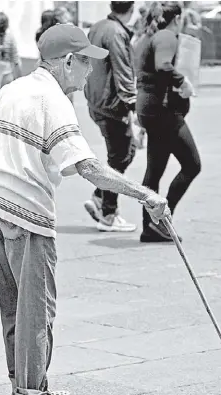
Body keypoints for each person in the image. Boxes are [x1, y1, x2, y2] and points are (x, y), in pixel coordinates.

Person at [0, 24, 170, 395]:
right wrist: (147, 194)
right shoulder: (53, 101)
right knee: (36, 310)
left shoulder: (14, 88)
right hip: (26, 214)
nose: (90, 73)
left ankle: (26, 387)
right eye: (86, 64)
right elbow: (88, 168)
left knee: (15, 308)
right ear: (68, 61)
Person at [136, 2, 201, 243]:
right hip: (163, 112)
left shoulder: (149, 35)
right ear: (178, 18)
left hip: (150, 108)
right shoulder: (166, 36)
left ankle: (151, 226)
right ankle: (160, 220)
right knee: (192, 164)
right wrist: (182, 81)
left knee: (155, 170)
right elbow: (163, 65)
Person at [84, 1, 138, 232]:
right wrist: (133, 105)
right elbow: (122, 71)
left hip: (96, 100)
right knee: (120, 156)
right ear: (132, 8)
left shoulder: (98, 27)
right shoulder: (116, 33)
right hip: (111, 104)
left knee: (124, 152)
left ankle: (100, 195)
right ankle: (108, 213)